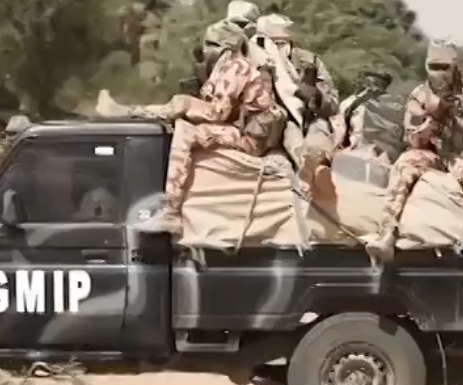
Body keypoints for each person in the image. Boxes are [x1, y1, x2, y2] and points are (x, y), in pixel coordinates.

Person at [98, 18, 284, 233]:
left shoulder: (237, 68)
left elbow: (217, 112)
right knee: (181, 111)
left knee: (184, 125)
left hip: (250, 139)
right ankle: (127, 112)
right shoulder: (226, 68)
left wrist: (186, 106)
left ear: (223, 47)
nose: (205, 50)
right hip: (241, 130)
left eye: (210, 45)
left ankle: (171, 211)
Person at [366, 40, 463, 273]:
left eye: (444, 67)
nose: (439, 73)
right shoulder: (419, 95)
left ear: (454, 67)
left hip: (458, 151)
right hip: (427, 151)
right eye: (434, 67)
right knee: (403, 168)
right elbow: (412, 139)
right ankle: (386, 235)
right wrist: (431, 121)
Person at [255, 13, 338, 190]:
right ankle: (306, 168)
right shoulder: (257, 60)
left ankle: (318, 170)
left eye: (282, 43)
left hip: (312, 118)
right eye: (274, 43)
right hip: (276, 121)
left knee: (320, 130)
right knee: (290, 132)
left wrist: (316, 96)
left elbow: (332, 103)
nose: (278, 48)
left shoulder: (309, 61)